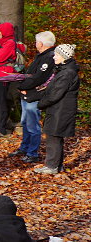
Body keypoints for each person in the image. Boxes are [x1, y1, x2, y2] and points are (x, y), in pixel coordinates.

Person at [11, 32, 56, 164]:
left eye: (37, 42)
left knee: (33, 125)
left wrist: (23, 86)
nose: (36, 44)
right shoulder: (41, 56)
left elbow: (39, 78)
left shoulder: (49, 57)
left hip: (34, 95)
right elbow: (31, 74)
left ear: (41, 44)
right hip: (28, 93)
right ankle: (24, 148)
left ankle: (33, 153)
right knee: (25, 122)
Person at [34, 44, 79, 175]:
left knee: (53, 137)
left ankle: (52, 166)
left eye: (57, 55)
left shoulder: (67, 73)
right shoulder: (64, 70)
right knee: (55, 137)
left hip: (61, 110)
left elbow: (55, 94)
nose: (54, 57)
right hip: (59, 109)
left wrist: (40, 104)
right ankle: (56, 165)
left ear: (64, 57)